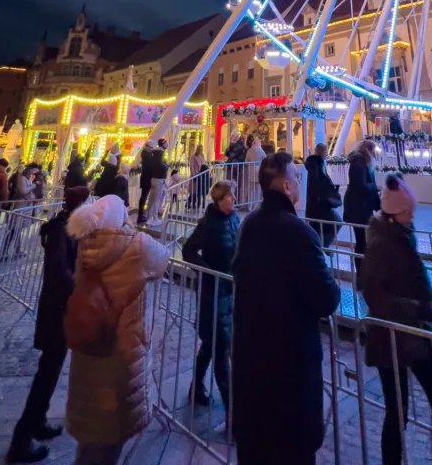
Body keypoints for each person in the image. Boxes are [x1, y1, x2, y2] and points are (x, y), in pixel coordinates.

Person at [232, 152, 340, 464]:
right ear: (286, 187)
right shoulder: (298, 232)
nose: (298, 183)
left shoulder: (249, 226)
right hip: (290, 376)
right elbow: (326, 297)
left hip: (252, 373)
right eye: (295, 177)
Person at [65, 194, 169, 465]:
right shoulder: (136, 245)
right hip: (121, 347)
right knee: (109, 433)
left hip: (89, 345)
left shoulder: (86, 245)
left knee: (93, 431)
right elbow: (163, 260)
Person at [362, 173, 432, 465]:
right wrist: (416, 310)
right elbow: (372, 291)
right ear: (395, 213)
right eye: (407, 211)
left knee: (406, 407)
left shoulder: (398, 235)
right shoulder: (383, 244)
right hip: (397, 336)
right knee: (405, 407)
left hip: (408, 334)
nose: (412, 216)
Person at [7, 186, 91, 464]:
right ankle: (22, 438)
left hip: (60, 308)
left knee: (51, 369)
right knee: (47, 372)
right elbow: (60, 271)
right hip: (57, 310)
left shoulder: (68, 228)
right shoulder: (61, 230)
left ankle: (38, 420)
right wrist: (78, 289)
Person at [182, 179, 240, 412]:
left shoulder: (234, 219)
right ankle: (232, 408)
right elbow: (188, 251)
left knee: (212, 343)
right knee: (219, 346)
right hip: (213, 292)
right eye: (230, 196)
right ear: (219, 200)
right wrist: (208, 271)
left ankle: (196, 388)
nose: (234, 199)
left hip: (230, 289)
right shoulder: (207, 225)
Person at [344, 139, 380, 284]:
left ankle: (364, 271)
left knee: (363, 240)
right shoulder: (359, 164)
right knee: (362, 241)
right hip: (359, 209)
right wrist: (375, 187)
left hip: (360, 208)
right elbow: (360, 185)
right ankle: (362, 273)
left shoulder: (360, 163)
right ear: (367, 150)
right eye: (372, 151)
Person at [304, 142, 341, 249]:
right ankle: (323, 245)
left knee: (323, 226)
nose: (326, 154)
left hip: (319, 204)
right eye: (325, 151)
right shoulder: (317, 166)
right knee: (336, 222)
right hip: (319, 204)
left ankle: (321, 245)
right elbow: (318, 185)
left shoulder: (317, 165)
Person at [144, 145, 168, 223]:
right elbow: (164, 168)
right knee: (156, 199)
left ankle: (149, 215)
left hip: (153, 179)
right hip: (159, 180)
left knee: (152, 198)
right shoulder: (159, 162)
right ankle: (154, 217)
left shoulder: (152, 161)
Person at [137, 138, 158, 225]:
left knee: (144, 197)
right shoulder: (147, 155)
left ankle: (141, 215)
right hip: (147, 178)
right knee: (144, 197)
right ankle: (141, 216)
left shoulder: (145, 153)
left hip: (145, 178)